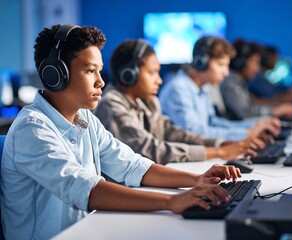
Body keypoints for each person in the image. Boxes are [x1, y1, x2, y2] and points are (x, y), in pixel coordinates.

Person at [0, 24, 242, 240]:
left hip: (87, 230)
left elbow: (130, 164)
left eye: (99, 70)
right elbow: (86, 188)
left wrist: (196, 180)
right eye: (89, 71)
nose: (100, 81)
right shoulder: (32, 130)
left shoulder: (85, 119)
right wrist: (172, 201)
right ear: (55, 75)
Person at [94, 39, 266, 165]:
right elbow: (151, 149)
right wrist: (218, 152)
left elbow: (172, 133)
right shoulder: (111, 104)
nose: (159, 81)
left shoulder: (147, 101)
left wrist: (220, 143)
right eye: (152, 73)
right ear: (129, 74)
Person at [158, 36, 281, 141]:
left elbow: (213, 122)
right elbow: (193, 132)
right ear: (201, 63)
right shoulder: (179, 89)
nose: (226, 73)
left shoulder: (201, 88)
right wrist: (245, 134)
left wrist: (253, 126)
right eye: (221, 65)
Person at [220, 39, 292, 121]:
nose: (257, 68)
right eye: (255, 62)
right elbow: (245, 112)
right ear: (241, 62)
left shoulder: (239, 81)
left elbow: (251, 104)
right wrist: (275, 111)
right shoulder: (231, 81)